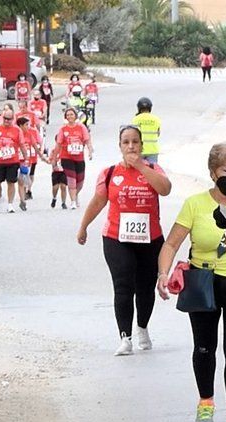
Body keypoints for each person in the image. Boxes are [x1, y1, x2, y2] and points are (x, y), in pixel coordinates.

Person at [157, 142, 226, 422]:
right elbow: (172, 243)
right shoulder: (196, 204)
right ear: (213, 173)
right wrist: (163, 273)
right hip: (203, 281)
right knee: (204, 346)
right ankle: (206, 402)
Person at [77, 125, 172, 355]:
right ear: (119, 146)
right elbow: (98, 201)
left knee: (145, 287)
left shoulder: (152, 168)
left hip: (150, 238)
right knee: (123, 285)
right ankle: (125, 337)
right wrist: (83, 227)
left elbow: (165, 189)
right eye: (126, 142)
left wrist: (140, 165)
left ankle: (142, 327)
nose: (131, 146)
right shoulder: (110, 173)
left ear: (141, 145)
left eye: (135, 142)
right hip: (116, 237)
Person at [0, 110, 28, 213]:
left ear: (13, 119)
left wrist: (26, 157)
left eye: (9, 119)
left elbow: (22, 144)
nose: (7, 121)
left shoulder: (17, 130)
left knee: (11, 182)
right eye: (5, 118)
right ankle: (0, 197)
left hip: (13, 161)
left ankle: (10, 204)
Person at [50, 107, 93, 209]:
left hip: (79, 158)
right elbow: (58, 145)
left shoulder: (81, 127)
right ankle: (73, 201)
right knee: (71, 179)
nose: (70, 116)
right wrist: (54, 158)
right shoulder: (63, 129)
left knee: (80, 182)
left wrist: (90, 151)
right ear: (65, 117)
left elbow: (87, 140)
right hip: (67, 157)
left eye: (71, 114)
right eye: (68, 115)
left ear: (75, 116)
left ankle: (75, 194)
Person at [16, 116, 46, 205]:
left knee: (25, 178)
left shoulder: (29, 134)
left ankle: (24, 195)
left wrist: (42, 156)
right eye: (26, 125)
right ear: (20, 126)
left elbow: (35, 146)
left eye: (28, 124)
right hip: (17, 160)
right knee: (20, 180)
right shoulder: (16, 134)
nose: (28, 127)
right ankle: (23, 197)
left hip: (27, 160)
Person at [132, 97, 161, 164]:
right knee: (152, 172)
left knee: (138, 172)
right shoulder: (156, 119)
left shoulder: (136, 119)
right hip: (153, 150)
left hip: (139, 150)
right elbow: (158, 133)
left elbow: (132, 134)